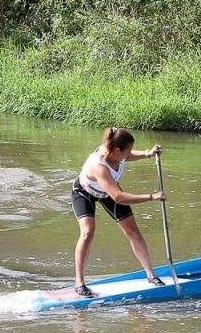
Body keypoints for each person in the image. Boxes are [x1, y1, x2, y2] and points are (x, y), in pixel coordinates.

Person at [71, 127, 166, 298]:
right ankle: (79, 283)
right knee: (87, 232)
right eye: (127, 150)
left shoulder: (116, 151)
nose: (129, 154)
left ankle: (151, 276)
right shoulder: (99, 167)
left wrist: (148, 153)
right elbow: (118, 197)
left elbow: (128, 156)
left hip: (108, 190)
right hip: (85, 192)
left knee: (133, 232)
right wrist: (152, 197)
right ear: (116, 150)